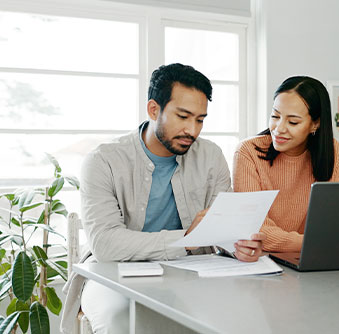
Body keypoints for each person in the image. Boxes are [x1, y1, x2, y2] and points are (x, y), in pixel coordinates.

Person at [61, 63, 265, 334]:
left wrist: (239, 246)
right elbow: (106, 245)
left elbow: (220, 232)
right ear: (154, 109)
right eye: (183, 116)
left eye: (200, 119)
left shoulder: (211, 156)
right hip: (113, 272)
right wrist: (188, 240)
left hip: (191, 270)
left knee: (241, 313)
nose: (192, 130)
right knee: (120, 321)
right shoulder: (103, 161)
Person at [233, 76, 339, 253]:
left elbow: (334, 220)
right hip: (264, 259)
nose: (279, 128)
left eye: (293, 122)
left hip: (315, 257)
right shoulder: (248, 151)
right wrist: (311, 242)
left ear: (315, 124)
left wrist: (320, 242)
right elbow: (253, 226)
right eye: (275, 116)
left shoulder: (331, 150)